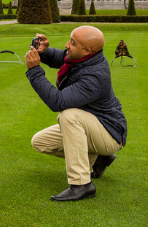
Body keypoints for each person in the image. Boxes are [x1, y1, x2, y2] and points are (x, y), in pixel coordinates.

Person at [25, 25, 127, 201]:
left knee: (68, 115)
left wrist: (34, 71)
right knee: (40, 142)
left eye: (72, 42)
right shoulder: (86, 57)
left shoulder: (94, 76)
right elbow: (63, 57)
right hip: (93, 127)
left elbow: (57, 102)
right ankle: (101, 158)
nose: (66, 45)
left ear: (87, 50)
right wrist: (44, 52)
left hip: (109, 132)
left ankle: (81, 184)